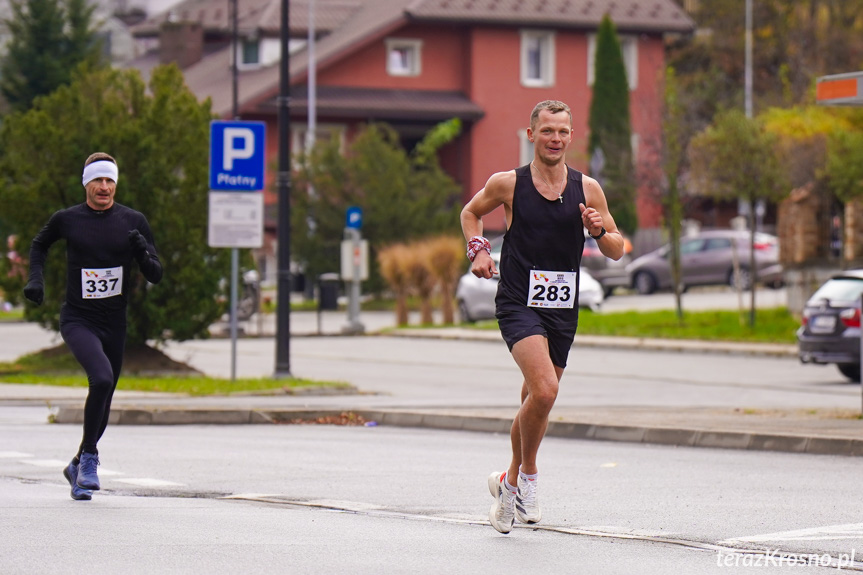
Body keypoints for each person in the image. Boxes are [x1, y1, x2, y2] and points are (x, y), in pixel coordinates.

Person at [460, 100, 624, 534]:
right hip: (517, 300)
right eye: (547, 131)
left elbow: (617, 247)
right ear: (531, 135)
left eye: (563, 132)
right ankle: (528, 477)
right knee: (546, 392)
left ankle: (505, 482)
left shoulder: (586, 189)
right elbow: (471, 213)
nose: (555, 139)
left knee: (535, 399)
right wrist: (477, 250)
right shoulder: (508, 184)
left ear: (571, 137)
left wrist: (598, 230)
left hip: (561, 307)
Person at [23, 153, 162, 501]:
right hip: (78, 319)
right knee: (100, 378)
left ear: (116, 183)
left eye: (109, 180)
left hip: (114, 323)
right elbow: (39, 244)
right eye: (97, 180)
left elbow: (156, 274)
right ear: (86, 183)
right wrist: (35, 280)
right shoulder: (68, 219)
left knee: (105, 396)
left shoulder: (133, 221)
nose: (104, 187)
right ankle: (89, 458)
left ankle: (76, 464)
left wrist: (143, 254)